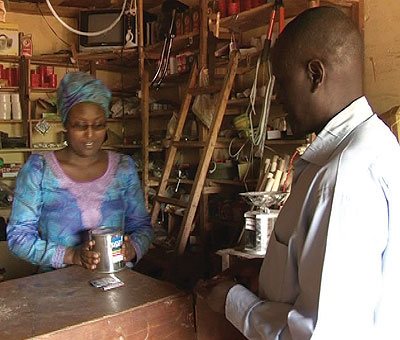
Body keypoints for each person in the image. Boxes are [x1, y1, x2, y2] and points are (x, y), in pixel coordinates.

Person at [198, 6, 400, 340]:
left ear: (315, 75)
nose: (277, 96)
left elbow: (321, 334)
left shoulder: (343, 179)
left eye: (280, 81)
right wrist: (264, 275)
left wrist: (234, 301)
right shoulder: (376, 144)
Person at [7, 72, 154, 273]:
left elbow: (142, 227)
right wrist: (71, 255)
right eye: (80, 125)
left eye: (99, 125)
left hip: (116, 286)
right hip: (58, 290)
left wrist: (133, 248)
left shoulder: (123, 168)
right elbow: (19, 238)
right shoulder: (39, 169)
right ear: (65, 124)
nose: (90, 134)